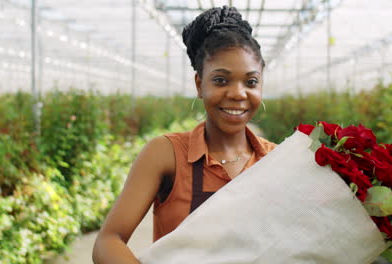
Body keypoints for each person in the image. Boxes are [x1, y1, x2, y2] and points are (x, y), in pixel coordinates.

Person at [92, 5, 276, 263]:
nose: (238, 93)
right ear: (199, 84)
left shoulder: (276, 160)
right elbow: (109, 240)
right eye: (221, 80)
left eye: (251, 82)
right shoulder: (166, 154)